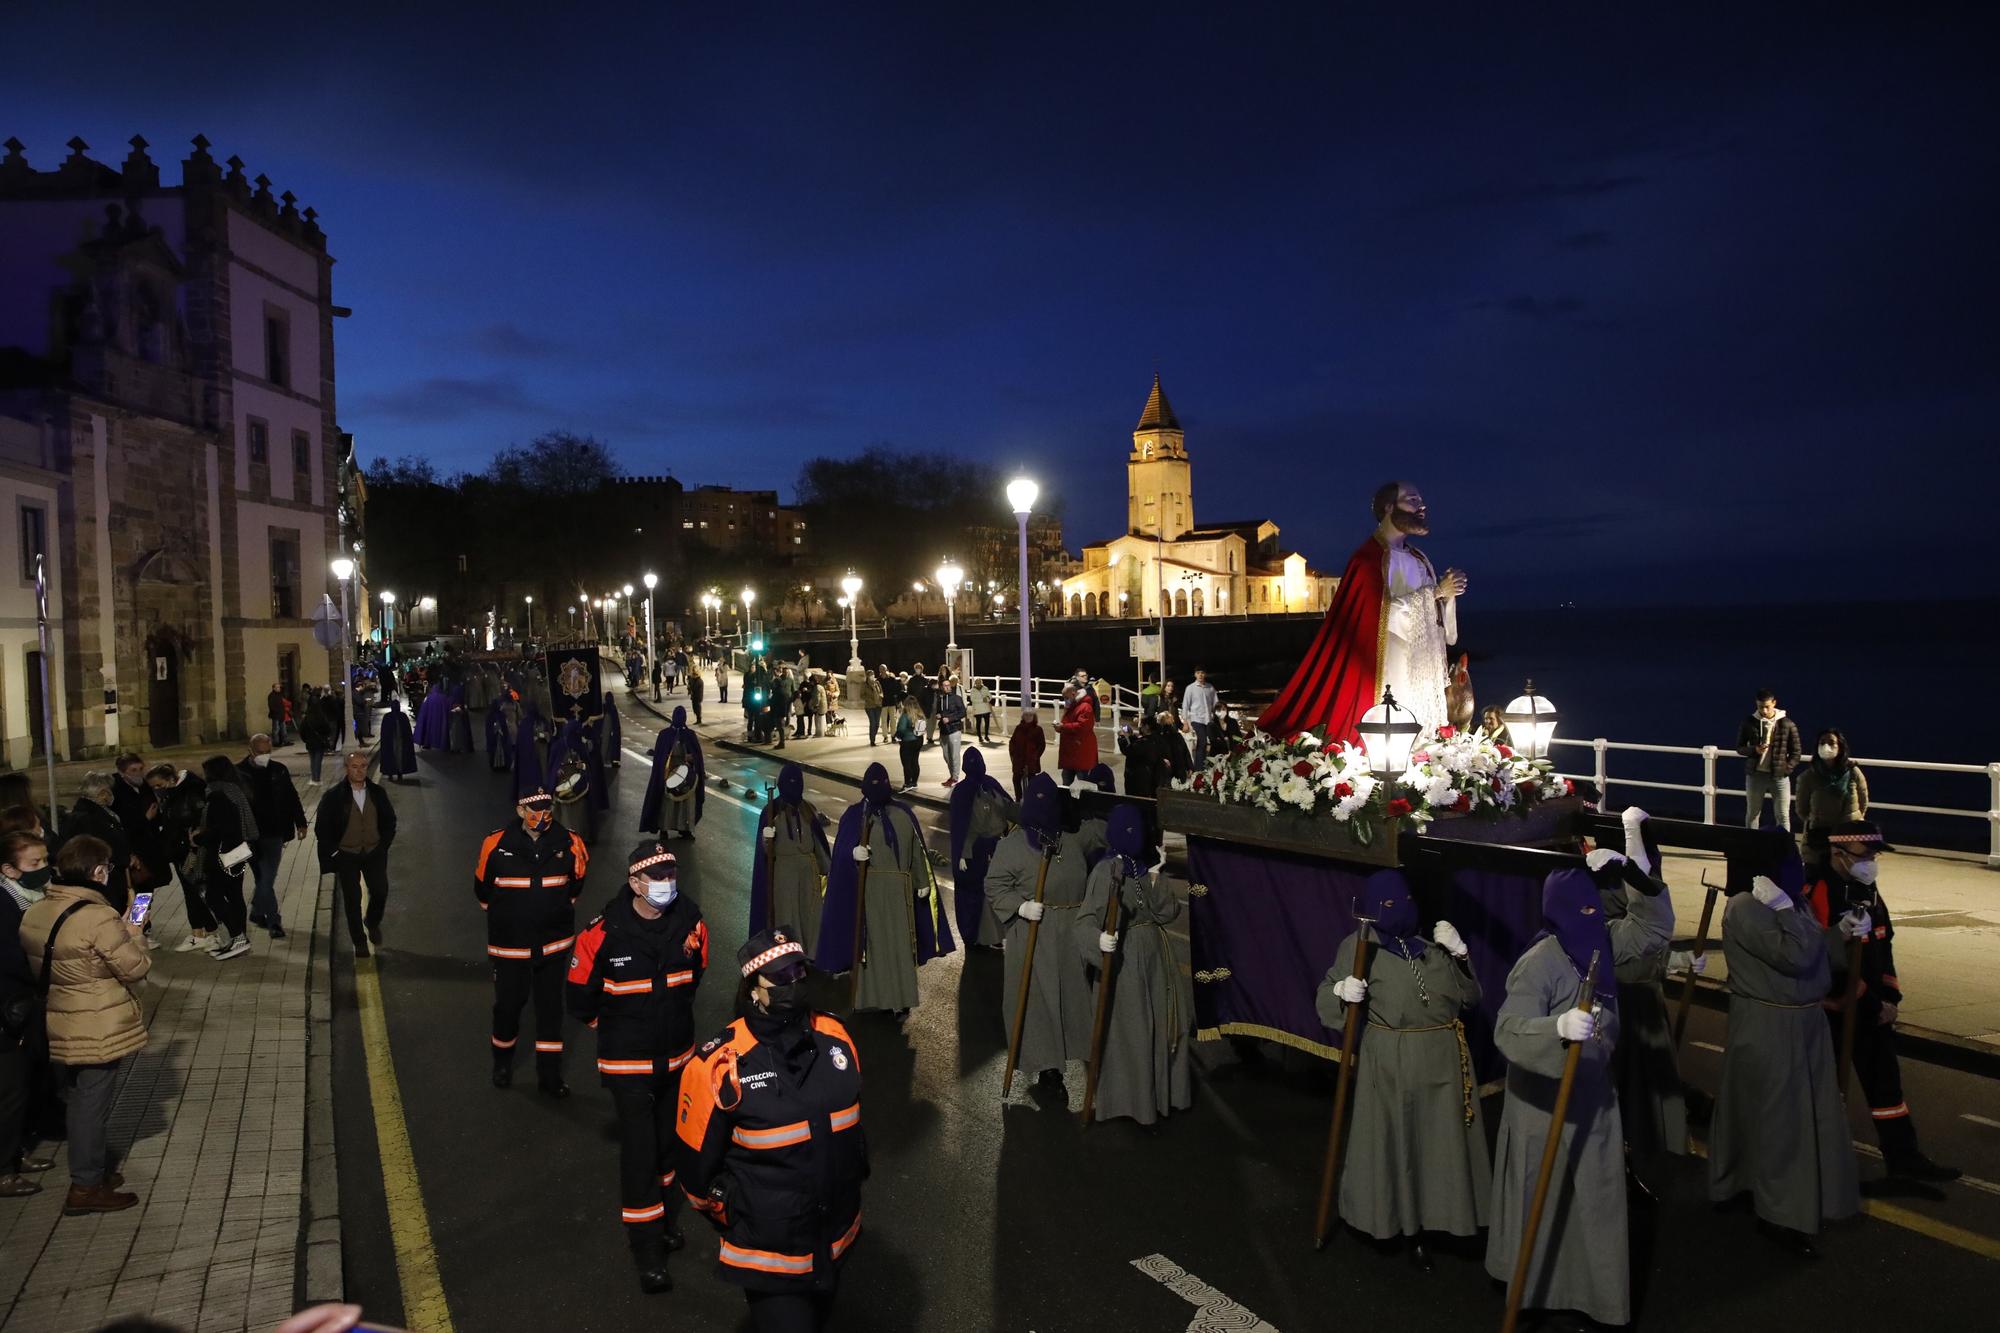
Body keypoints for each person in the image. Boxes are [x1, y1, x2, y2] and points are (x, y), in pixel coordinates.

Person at [1483, 863, 1670, 1327]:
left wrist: (1639, 875)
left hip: (1590, 1098)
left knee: (1593, 1198)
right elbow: (1508, 1031)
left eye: (1595, 907)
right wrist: (1556, 1029)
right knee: (1541, 1200)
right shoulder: (1540, 960)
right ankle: (1532, 1288)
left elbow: (1650, 931)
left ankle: (1594, 1297)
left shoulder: (1600, 941)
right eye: (1581, 908)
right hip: (1542, 1105)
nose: (1590, 916)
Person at [676, 927, 865, 1331]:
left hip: (835, 1238)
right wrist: (738, 1213)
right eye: (779, 978)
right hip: (770, 1252)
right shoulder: (718, 1065)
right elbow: (695, 1174)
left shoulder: (837, 1037)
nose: (794, 984)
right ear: (753, 991)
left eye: (799, 972)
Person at [1313, 866, 1487, 1258]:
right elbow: (1325, 996)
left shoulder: (1435, 946)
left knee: (1440, 1144)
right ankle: (1401, 1223)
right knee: (1396, 1143)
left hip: (1443, 1059)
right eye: (1390, 905)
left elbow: (1472, 998)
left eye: (1406, 902)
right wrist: (1342, 991)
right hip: (1391, 1061)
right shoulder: (1359, 947)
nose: (1402, 910)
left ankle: (1445, 1217)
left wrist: (1461, 956)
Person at [565, 839, 707, 1292]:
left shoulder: (691, 920)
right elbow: (579, 997)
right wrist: (616, 1031)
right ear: (634, 882)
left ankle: (663, 1220)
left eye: (671, 876)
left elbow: (695, 974)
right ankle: (646, 1249)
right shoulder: (601, 935)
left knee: (669, 1150)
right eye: (657, 877)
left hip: (678, 1058)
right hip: (629, 1067)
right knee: (642, 1155)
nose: (667, 884)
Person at [1709, 853, 1861, 1255]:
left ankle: (1748, 1186)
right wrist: (1786, 911)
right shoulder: (1746, 907)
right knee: (1780, 1122)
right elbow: (1793, 956)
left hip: (1801, 1023)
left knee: (1791, 1115)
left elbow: (1809, 946)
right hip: (1770, 1023)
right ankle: (1779, 1213)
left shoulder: (1790, 901)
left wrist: (1837, 934)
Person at [1803, 820, 1958, 1183]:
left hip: (1871, 1008)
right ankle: (1816, 1162)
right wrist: (1873, 1004)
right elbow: (1825, 962)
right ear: (1838, 853)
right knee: (1821, 1090)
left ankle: (1904, 1159)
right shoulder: (1820, 890)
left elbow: (1884, 944)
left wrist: (1890, 996)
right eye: (1866, 853)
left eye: (1875, 854)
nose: (1872, 860)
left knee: (1887, 1087)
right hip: (1834, 1013)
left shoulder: (1869, 891)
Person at [1259, 480, 1466, 739]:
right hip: (1387, 663)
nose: (1421, 506)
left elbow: (1435, 621)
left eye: (1420, 500)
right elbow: (1381, 615)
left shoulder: (1419, 558)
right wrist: (1435, 593)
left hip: (1418, 664)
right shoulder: (1368, 560)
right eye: (1412, 500)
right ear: (1390, 507)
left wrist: (1447, 595)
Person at [20, 835, 150, 1215]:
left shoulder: (39, 911)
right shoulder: (98, 916)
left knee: (79, 1097)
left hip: (61, 1017)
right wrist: (135, 935)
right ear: (97, 871)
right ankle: (86, 1185)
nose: (109, 874)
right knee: (91, 1102)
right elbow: (134, 968)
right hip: (98, 1022)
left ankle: (91, 1174)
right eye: (107, 868)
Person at [1074, 807, 1193, 1129]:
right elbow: (1085, 920)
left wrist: (1156, 879)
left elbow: (1166, 913)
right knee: (1132, 1032)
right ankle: (1132, 1101)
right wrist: (1098, 941)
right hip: (1123, 962)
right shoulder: (1104, 872)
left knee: (1166, 1025)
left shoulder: (1145, 870)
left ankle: (1162, 1094)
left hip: (1156, 959)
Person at [1593, 809, 1692, 1186]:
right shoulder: (1604, 892)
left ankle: (1641, 1156)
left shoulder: (1639, 874)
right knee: (1624, 1090)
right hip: (1622, 1003)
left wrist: (1672, 960)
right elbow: (1642, 929)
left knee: (1646, 1090)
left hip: (1646, 996)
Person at [815, 763, 954, 1020]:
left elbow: (916, 850)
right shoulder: (856, 815)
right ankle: (872, 997)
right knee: (874, 947)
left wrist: (922, 881)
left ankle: (900, 1001)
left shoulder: (903, 814)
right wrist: (851, 854)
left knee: (900, 947)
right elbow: (841, 853)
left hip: (901, 894)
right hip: (870, 893)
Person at [475, 788, 588, 1096]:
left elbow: (575, 886)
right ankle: (502, 1063)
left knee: (551, 1012)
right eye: (535, 810)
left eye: (547, 809)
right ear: (521, 811)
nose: (542, 816)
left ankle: (549, 1077)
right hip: (509, 947)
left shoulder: (571, 842)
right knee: (508, 1007)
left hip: (552, 946)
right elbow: (483, 891)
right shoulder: (494, 844)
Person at [984, 775, 1094, 1093]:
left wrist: (1093, 795)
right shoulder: (1013, 846)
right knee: (1038, 1003)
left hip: (1069, 935)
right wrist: (1020, 907)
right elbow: (994, 885)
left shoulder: (1071, 838)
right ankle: (1049, 1069)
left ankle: (1075, 1052)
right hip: (1033, 935)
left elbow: (1107, 833)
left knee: (1070, 1001)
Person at [1, 831, 56, 1198]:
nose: (44, 869)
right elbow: (11, 957)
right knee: (10, 1091)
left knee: (26, 1085)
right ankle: (4, 1171)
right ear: (9, 869)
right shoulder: (5, 904)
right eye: (34, 864)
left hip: (22, 1008)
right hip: (7, 1012)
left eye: (45, 860)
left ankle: (17, 1152)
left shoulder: (27, 897)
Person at [313, 751, 398, 957]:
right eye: (354, 766)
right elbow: (322, 828)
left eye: (363, 766)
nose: (360, 771)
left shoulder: (377, 793)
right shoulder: (334, 796)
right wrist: (334, 853)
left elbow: (389, 821)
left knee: (380, 891)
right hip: (347, 855)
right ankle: (359, 941)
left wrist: (382, 845)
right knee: (352, 899)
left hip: (373, 852)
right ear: (346, 769)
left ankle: (372, 921)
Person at [751, 765, 832, 957]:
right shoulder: (771, 811)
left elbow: (818, 842)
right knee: (787, 915)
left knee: (810, 916)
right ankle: (787, 955)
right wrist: (766, 838)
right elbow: (764, 853)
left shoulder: (808, 810)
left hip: (808, 873)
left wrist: (828, 868)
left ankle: (811, 954)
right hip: (783, 874)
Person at [240, 735, 308, 941]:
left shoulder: (279, 770)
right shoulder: (239, 773)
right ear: (251, 750)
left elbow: (291, 796)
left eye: (268, 751)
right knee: (265, 877)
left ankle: (257, 912)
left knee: (266, 878)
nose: (265, 756)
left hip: (276, 832)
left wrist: (301, 822)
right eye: (261, 752)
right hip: (252, 836)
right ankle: (273, 921)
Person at [949, 747, 1018, 949]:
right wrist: (963, 853)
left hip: (992, 848)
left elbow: (1008, 807)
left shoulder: (984, 786)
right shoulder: (970, 790)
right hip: (982, 850)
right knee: (984, 894)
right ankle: (985, 936)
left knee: (991, 891)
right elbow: (961, 827)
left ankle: (992, 934)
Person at [146, 763, 215, 952]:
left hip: (186, 851)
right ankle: (204, 931)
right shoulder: (173, 793)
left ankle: (204, 932)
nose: (157, 790)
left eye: (159, 785)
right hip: (173, 850)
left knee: (193, 890)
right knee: (190, 891)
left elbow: (189, 818)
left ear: (170, 779)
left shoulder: (188, 792)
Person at [197, 757, 257, 962]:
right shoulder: (236, 790)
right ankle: (239, 938)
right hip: (238, 853)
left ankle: (237, 936)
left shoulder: (218, 796)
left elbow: (221, 829)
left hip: (221, 855)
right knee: (234, 895)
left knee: (213, 897)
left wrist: (198, 837)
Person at [62, 774, 133, 913]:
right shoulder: (91, 818)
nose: (111, 795)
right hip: (106, 877)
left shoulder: (90, 813)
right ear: (102, 793)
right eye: (108, 791)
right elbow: (110, 844)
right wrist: (124, 858)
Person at [1796, 730, 1869, 856]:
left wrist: (1851, 819)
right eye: (1822, 742)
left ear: (1840, 747)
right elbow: (1802, 809)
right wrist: (1816, 820)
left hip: (1848, 836)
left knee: (1847, 871)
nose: (1826, 746)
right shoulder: (1807, 777)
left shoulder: (1853, 772)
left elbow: (1863, 801)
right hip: (1820, 837)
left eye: (1831, 742)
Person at [1737, 689, 1801, 830]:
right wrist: (1754, 750)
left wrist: (1786, 768)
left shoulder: (1787, 724)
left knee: (1783, 815)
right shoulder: (1749, 722)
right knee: (1753, 814)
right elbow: (1739, 747)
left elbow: (1796, 752)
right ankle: (1751, 846)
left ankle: (1784, 848)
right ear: (1756, 704)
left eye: (1767, 706)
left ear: (1774, 703)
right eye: (1761, 707)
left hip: (1779, 777)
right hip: (1755, 775)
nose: (1764, 710)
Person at [640, 707, 705, 840]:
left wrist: (691, 759)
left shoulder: (688, 735)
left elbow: (697, 757)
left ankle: (684, 829)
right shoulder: (666, 735)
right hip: (669, 776)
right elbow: (660, 758)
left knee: (684, 806)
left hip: (686, 778)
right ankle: (664, 828)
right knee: (668, 804)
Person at [1055, 684, 1098, 784]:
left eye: (1066, 697)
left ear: (1073, 694)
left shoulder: (1085, 707)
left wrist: (1063, 727)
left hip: (1080, 752)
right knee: (1067, 781)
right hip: (1072, 752)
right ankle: (1068, 799)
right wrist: (1061, 727)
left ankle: (1076, 800)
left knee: (1082, 784)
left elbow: (1082, 727)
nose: (1065, 700)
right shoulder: (1072, 706)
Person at [1180, 668, 1219, 769]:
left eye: (1202, 673)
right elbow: (1185, 705)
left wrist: (1219, 717)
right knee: (1202, 741)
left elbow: (1216, 704)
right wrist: (1185, 722)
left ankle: (1211, 766)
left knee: (1214, 741)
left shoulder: (1210, 687)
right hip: (1196, 719)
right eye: (1198, 673)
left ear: (1205, 674)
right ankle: (1198, 769)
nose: (1200, 675)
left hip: (1209, 720)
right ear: (1195, 675)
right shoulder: (1190, 688)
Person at [935, 676, 967, 787]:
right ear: (941, 687)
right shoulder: (940, 699)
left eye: (949, 685)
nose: (947, 687)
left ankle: (955, 778)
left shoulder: (957, 698)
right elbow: (939, 712)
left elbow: (963, 713)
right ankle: (952, 775)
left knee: (954, 755)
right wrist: (938, 715)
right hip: (943, 731)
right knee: (946, 756)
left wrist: (949, 719)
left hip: (955, 729)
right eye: (945, 686)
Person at [1008, 708, 1046, 800]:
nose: (1028, 717)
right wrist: (1013, 755)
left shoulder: (1038, 729)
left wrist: (1035, 756)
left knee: (1032, 781)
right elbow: (1012, 742)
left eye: (1030, 715)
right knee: (1016, 779)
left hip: (1031, 760)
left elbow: (1041, 745)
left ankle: (1031, 800)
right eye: (1026, 715)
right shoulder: (1019, 728)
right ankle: (1018, 799)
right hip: (1019, 759)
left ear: (1034, 717)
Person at [377, 697, 418, 784]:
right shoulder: (402, 716)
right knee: (398, 757)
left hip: (395, 741)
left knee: (394, 756)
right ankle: (397, 773)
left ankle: (392, 772)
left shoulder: (388, 717)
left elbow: (384, 732)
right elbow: (407, 731)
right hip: (399, 741)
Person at [299, 690, 335, 786]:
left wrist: (305, 739)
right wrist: (325, 736)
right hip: (320, 741)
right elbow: (327, 729)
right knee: (318, 760)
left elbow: (302, 730)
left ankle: (313, 778)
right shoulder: (321, 716)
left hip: (310, 742)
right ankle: (317, 779)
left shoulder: (307, 717)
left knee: (312, 760)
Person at [891, 697, 926, 793]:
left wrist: (898, 736)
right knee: (915, 761)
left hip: (907, 741)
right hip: (918, 740)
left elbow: (901, 729)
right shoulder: (920, 714)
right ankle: (914, 782)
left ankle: (907, 783)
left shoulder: (905, 715)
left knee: (907, 763)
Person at [966, 677, 993, 743]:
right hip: (977, 709)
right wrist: (982, 700)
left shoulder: (985, 688)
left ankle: (986, 735)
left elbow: (990, 696)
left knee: (987, 722)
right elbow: (972, 699)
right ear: (975, 683)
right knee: (978, 723)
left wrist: (988, 698)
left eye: (979, 682)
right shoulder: (972, 690)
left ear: (981, 682)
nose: (978, 683)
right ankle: (980, 737)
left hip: (986, 708)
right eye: (977, 682)